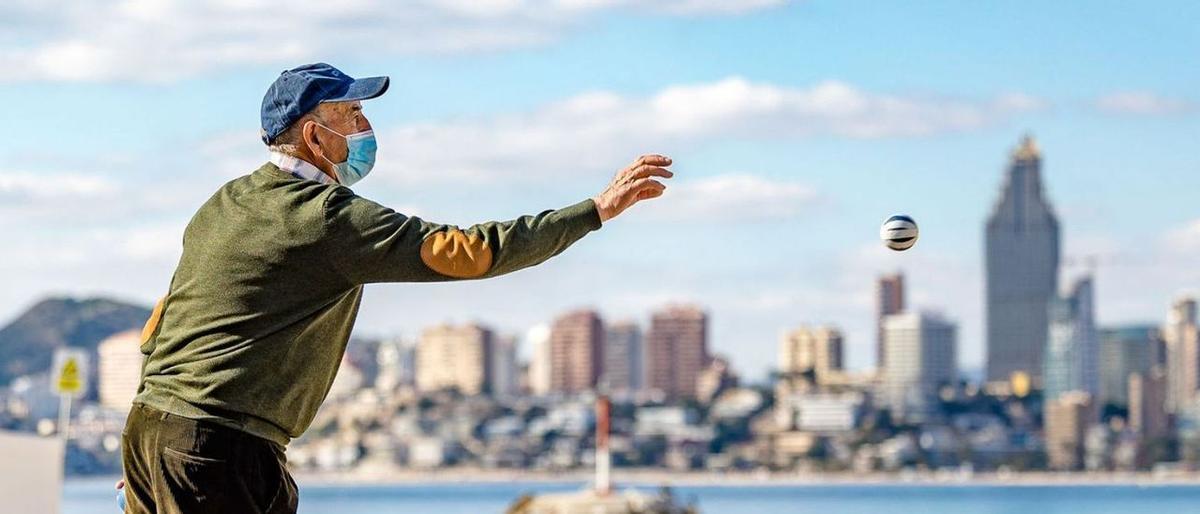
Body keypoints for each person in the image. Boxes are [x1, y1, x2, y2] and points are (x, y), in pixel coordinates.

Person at [119, 62, 672, 513]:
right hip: (217, 449)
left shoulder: (225, 202)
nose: (364, 127)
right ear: (316, 135)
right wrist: (594, 211)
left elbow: (163, 324)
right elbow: (470, 252)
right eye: (353, 113)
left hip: (155, 432)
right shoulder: (326, 217)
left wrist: (148, 454)